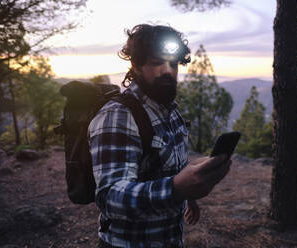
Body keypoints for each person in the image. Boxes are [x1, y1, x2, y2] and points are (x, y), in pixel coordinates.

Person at [88, 24, 231, 248]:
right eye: (156, 63)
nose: (167, 70)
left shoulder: (170, 112)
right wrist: (175, 189)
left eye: (173, 63)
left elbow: (171, 168)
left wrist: (187, 197)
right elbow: (110, 198)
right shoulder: (118, 117)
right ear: (136, 66)